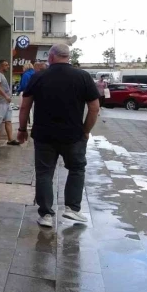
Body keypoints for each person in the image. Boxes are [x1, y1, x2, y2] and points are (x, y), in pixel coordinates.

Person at [17, 44, 100, 228]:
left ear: (52, 57)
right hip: (73, 135)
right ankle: (72, 208)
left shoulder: (39, 77)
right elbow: (94, 108)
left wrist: (22, 130)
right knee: (77, 169)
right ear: (68, 57)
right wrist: (85, 131)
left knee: (45, 173)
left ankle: (46, 214)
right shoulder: (83, 77)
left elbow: (25, 106)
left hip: (44, 135)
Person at [0, 60, 20, 145]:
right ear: (1, 66)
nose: (8, 66)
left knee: (8, 121)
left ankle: (10, 139)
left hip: (6, 103)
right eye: (6, 65)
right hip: (0, 103)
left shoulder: (2, 75)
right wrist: (6, 96)